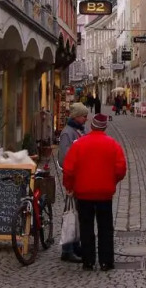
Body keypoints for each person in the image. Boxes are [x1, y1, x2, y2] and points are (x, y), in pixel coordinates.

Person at [63, 113, 127, 272]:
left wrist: (70, 186)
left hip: (83, 193)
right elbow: (121, 169)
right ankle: (106, 261)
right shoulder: (113, 144)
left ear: (91, 126)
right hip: (104, 193)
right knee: (105, 227)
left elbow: (69, 169)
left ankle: (88, 261)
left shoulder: (79, 144)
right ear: (105, 127)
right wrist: (113, 181)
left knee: (86, 227)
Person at [57, 101, 88, 263]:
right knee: (70, 214)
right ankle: (67, 250)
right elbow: (64, 159)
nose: (86, 119)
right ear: (76, 117)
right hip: (73, 179)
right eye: (84, 116)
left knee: (77, 214)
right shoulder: (67, 133)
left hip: (80, 179)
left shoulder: (79, 130)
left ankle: (76, 246)